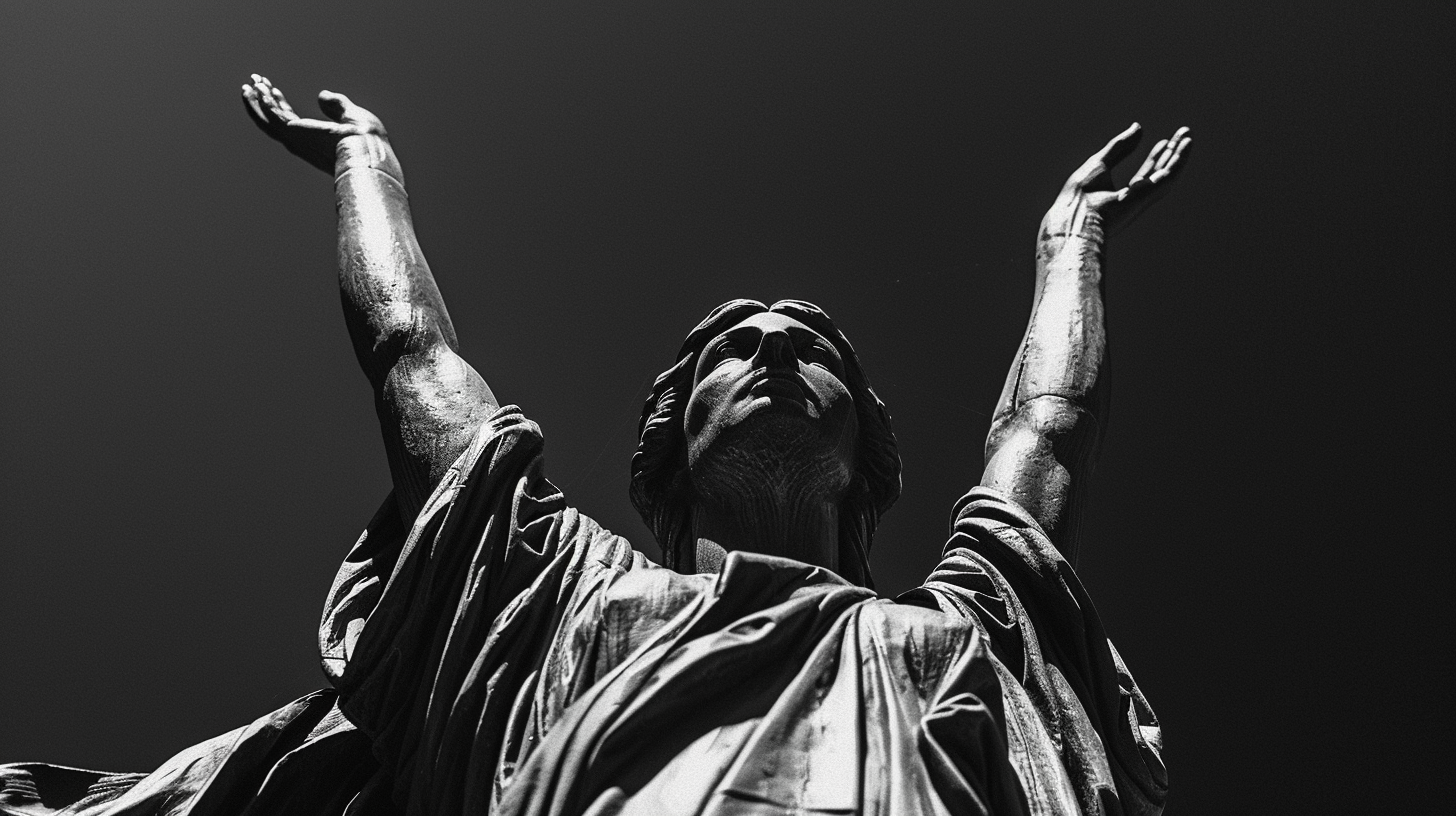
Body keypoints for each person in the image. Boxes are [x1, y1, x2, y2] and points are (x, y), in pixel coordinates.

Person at [0, 75, 1189, 816]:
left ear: (872, 457)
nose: (773, 352)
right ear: (670, 449)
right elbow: (413, 359)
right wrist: (368, 165)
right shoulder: (549, 597)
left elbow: (1047, 428)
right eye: (735, 348)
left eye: (808, 345)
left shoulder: (972, 628)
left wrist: (1069, 238)